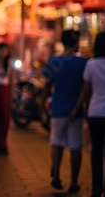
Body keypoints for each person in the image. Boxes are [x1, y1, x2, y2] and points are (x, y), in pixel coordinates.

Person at [69, 31, 105, 197]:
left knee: (96, 152)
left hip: (95, 112)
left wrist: (76, 108)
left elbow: (86, 91)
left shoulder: (91, 64)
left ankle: (96, 189)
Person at [41, 29, 87, 194]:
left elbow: (47, 84)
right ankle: (74, 181)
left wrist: (43, 102)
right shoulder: (83, 63)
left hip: (58, 108)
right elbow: (85, 88)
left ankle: (56, 176)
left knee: (57, 143)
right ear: (76, 43)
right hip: (76, 111)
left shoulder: (54, 60)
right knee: (75, 146)